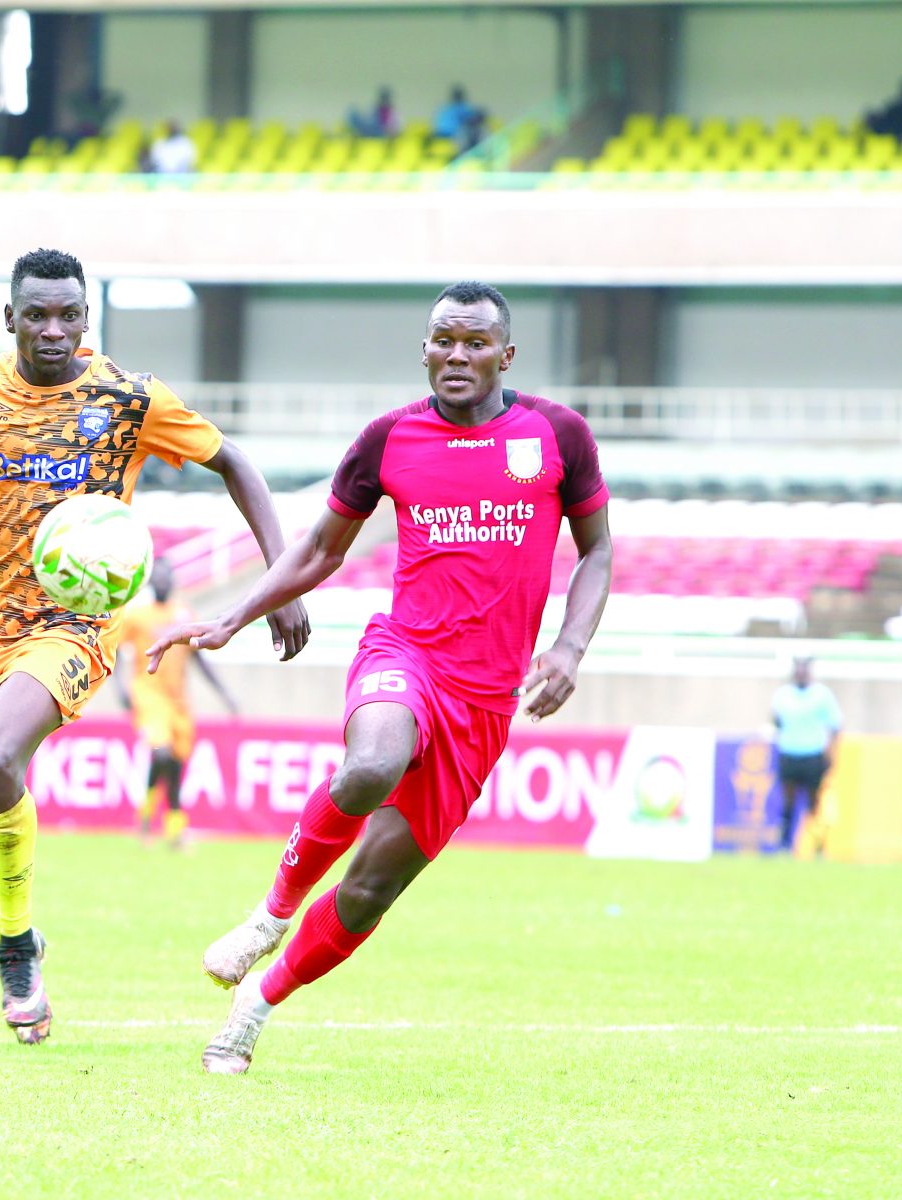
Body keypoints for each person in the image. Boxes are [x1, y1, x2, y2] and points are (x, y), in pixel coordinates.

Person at [147, 280, 613, 1074]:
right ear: (424, 347)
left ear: (506, 354)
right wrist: (234, 613)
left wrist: (567, 647)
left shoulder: (556, 435)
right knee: (370, 763)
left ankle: (253, 1008)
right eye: (441, 340)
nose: (455, 355)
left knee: (368, 892)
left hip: (485, 700)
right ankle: (268, 916)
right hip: (405, 653)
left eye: (473, 342)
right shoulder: (389, 439)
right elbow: (321, 549)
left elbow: (597, 548)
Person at [0, 247, 309, 1045]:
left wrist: (282, 580)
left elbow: (236, 464)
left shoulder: (127, 398)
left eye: (68, 315)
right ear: (10, 319)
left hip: (73, 621)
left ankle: (17, 952)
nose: (52, 330)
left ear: (86, 320)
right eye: (36, 315)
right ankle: (12, 935)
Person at [115, 556, 238, 847]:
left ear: (173, 581)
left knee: (175, 762)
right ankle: (161, 821)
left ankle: (159, 823)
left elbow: (199, 658)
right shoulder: (137, 616)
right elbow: (117, 650)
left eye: (166, 576)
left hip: (178, 701)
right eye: (156, 577)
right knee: (161, 752)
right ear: (149, 582)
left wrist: (224, 693)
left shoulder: (184, 615)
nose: (161, 581)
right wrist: (120, 688)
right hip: (148, 694)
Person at [771, 656, 842, 854]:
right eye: (798, 669)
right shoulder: (782, 695)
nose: (801, 672)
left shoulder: (822, 695)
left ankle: (818, 846)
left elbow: (835, 725)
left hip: (813, 754)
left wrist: (832, 753)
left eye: (805, 669)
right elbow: (776, 721)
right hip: (789, 753)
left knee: (815, 803)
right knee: (788, 800)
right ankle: (784, 845)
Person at [432, 85, 486, 153]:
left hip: (437, 134)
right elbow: (474, 117)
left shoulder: (445, 108)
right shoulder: (462, 108)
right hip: (451, 135)